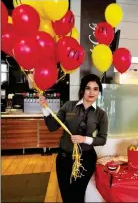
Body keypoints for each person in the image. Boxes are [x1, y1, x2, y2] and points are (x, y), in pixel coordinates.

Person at [39, 74, 108, 203]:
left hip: (85, 160)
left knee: (78, 195)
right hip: (65, 159)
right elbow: (52, 126)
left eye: (95, 89)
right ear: (82, 90)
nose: (91, 92)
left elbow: (102, 139)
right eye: (88, 88)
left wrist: (84, 139)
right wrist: (45, 108)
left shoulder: (101, 114)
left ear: (99, 92)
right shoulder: (68, 106)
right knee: (66, 195)